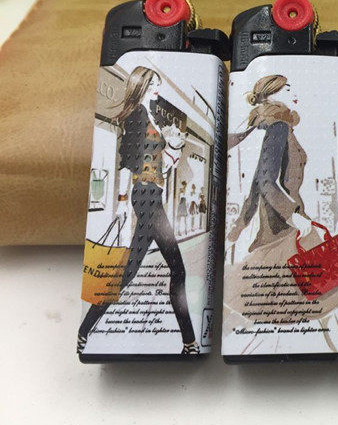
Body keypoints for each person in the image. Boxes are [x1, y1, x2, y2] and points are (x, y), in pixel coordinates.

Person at [78, 66, 198, 354]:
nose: (157, 87)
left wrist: (173, 149)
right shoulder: (137, 115)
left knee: (128, 272)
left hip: (150, 195)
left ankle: (83, 331)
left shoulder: (149, 116)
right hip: (145, 197)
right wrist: (122, 203)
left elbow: (160, 169)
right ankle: (190, 343)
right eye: (153, 83)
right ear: (141, 85)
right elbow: (128, 162)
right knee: (178, 269)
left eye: (158, 82)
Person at [227, 74, 323, 250]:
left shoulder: (265, 125)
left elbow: (257, 185)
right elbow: (265, 181)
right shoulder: (278, 126)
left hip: (276, 228)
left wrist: (236, 230)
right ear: (271, 94)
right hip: (286, 228)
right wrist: (294, 216)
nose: (293, 92)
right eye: (287, 89)